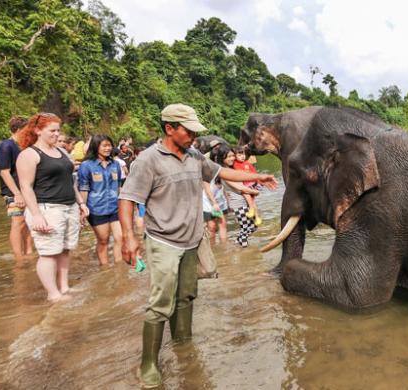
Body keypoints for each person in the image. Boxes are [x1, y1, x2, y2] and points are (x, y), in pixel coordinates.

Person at [118, 103, 277, 388]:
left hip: (192, 240)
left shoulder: (194, 157)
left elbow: (223, 174)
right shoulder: (148, 160)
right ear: (169, 129)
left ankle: (183, 343)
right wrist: (129, 238)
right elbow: (128, 199)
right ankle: (148, 364)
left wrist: (257, 176)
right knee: (160, 303)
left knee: (187, 296)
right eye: (188, 130)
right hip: (163, 241)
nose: (194, 136)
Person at [16, 113, 89, 302]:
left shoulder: (62, 152)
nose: (57, 134)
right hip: (46, 208)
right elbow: (25, 187)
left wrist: (81, 203)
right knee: (49, 253)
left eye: (58, 130)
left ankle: (63, 287)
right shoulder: (29, 154)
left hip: (69, 206)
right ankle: (52, 293)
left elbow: (69, 180)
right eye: (52, 131)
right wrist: (36, 215)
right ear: (37, 130)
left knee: (65, 249)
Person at [78, 135, 123, 266]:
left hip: (115, 207)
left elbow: (119, 186)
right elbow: (84, 189)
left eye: (110, 145)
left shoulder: (116, 164)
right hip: (97, 209)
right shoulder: (86, 166)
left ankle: (119, 268)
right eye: (104, 145)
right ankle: (105, 268)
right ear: (96, 147)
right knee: (103, 240)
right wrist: (83, 209)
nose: (108, 148)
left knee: (120, 237)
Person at [0, 116, 34, 257]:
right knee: (17, 222)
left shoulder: (24, 146)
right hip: (13, 192)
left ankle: (29, 252)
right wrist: (17, 193)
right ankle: (18, 257)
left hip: (27, 189)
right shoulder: (6, 146)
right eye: (27, 129)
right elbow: (4, 172)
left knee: (27, 222)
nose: (30, 132)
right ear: (18, 129)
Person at [232, 147, 263, 226]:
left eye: (243, 154)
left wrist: (259, 182)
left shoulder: (248, 163)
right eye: (239, 155)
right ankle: (256, 217)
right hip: (244, 184)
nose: (242, 156)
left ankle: (254, 214)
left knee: (250, 200)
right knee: (250, 201)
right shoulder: (235, 163)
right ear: (235, 156)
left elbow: (255, 173)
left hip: (250, 185)